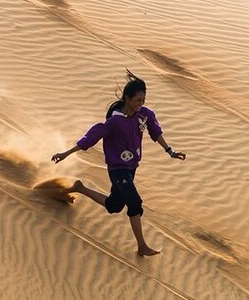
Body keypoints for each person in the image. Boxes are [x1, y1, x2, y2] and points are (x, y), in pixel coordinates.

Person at [51, 70, 187, 256]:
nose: (141, 104)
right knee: (135, 203)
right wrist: (66, 153)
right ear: (127, 98)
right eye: (138, 100)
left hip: (131, 168)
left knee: (114, 206)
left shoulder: (144, 114)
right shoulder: (115, 121)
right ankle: (142, 246)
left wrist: (170, 151)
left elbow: (155, 131)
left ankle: (79, 187)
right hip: (117, 169)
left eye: (143, 100)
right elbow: (91, 138)